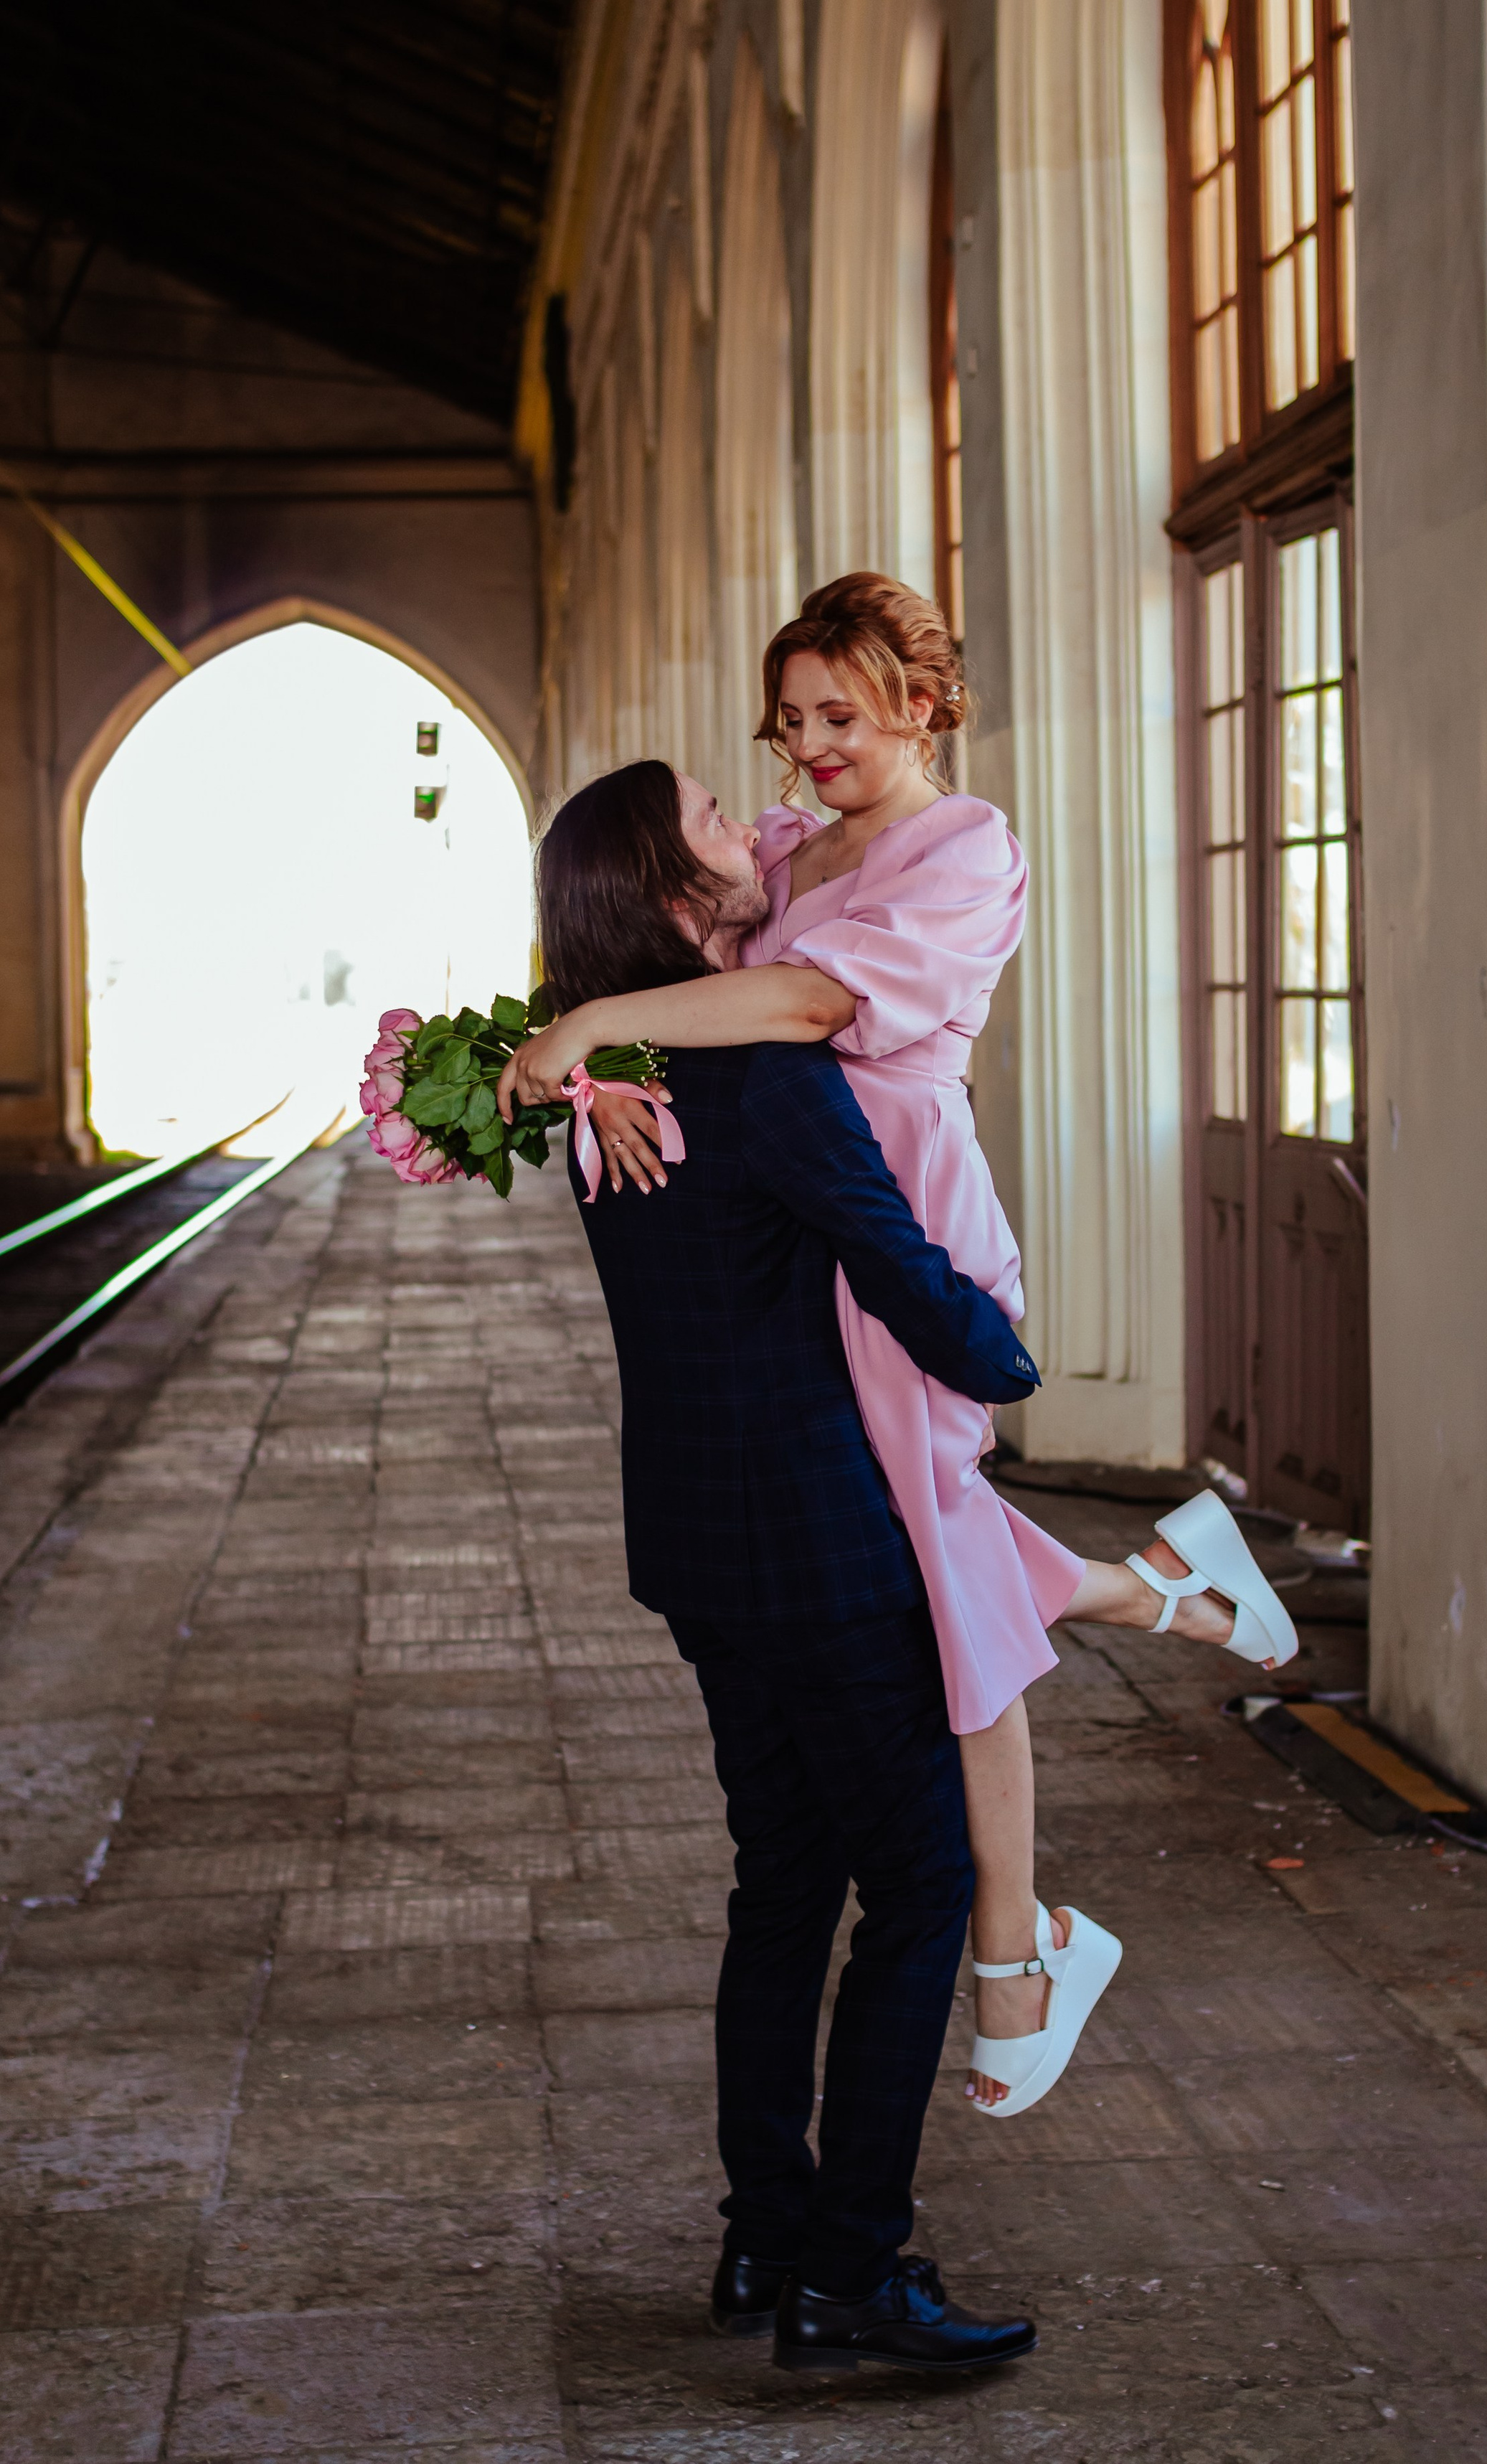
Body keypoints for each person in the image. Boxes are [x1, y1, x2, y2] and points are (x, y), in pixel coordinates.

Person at [502, 576, 1296, 2120]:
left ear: (920, 705)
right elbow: (663, 929)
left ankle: (1012, 1943)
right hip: (809, 1230)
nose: (806, 753)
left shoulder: (962, 847)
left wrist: (602, 1037)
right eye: (788, 723)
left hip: (898, 1223)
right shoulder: (798, 846)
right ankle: (1165, 1599)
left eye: (839, 718)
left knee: (935, 1556)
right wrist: (594, 1058)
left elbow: (799, 998)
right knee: (931, 1536)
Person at [530, 758, 1045, 2375]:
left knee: (782, 1881)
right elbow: (888, 1258)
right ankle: (852, 2271)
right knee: (918, 1889)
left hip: (692, 1540)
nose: (744, 826)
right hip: (819, 1542)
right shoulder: (752, 1072)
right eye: (704, 820)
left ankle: (762, 2235)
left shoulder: (605, 1092)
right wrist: (1002, 1359)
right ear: (679, 900)